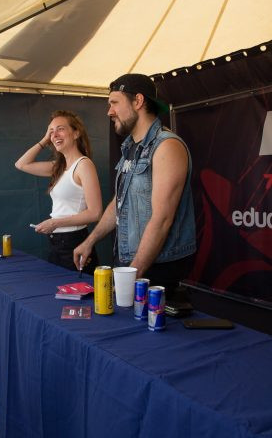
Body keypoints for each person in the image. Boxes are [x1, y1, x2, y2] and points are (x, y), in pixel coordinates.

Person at [73, 74, 196, 299]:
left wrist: (133, 275)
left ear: (138, 101)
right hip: (130, 262)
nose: (109, 111)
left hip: (158, 268)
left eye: (114, 102)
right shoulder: (130, 147)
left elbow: (162, 219)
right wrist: (90, 241)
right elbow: (119, 203)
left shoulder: (167, 146)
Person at [15, 110, 102, 273]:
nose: (55, 134)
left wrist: (54, 223)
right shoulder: (58, 167)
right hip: (56, 242)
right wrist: (45, 139)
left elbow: (95, 213)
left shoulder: (84, 165)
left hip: (74, 243)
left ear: (76, 133)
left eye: (60, 129)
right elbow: (21, 164)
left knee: (79, 296)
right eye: (51, 131)